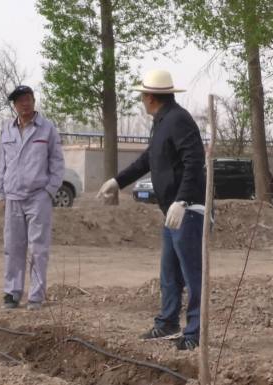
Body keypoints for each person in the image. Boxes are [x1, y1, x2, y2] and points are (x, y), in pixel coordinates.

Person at [96, 69, 206, 351]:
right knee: (169, 272)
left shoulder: (178, 120)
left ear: (149, 97)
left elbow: (194, 160)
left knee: (193, 274)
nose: (142, 101)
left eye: (142, 96)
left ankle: (195, 333)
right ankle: (168, 322)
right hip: (172, 211)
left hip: (188, 210)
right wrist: (117, 181)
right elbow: (148, 159)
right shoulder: (162, 121)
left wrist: (183, 200)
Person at [0, 85, 64, 311]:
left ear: (34, 101)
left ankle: (36, 296)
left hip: (38, 197)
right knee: (13, 247)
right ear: (14, 106)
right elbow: (1, 164)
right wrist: (1, 191)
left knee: (38, 248)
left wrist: (49, 191)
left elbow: (57, 162)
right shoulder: (7, 129)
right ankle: (11, 293)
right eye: (19, 101)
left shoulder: (47, 129)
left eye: (27, 99)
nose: (24, 104)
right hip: (13, 197)